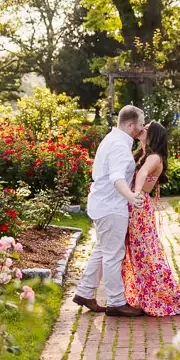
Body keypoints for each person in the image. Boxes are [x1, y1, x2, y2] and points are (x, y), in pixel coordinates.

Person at [73, 105, 147, 317]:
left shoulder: (113, 139)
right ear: (130, 125)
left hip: (103, 205)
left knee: (102, 250)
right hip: (111, 207)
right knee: (114, 255)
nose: (142, 129)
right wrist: (131, 196)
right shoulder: (119, 146)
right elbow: (117, 177)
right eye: (141, 124)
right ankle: (116, 302)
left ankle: (85, 292)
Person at [121, 121, 180, 316]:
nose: (142, 128)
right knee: (135, 252)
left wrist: (136, 194)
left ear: (153, 135)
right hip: (134, 204)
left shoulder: (154, 157)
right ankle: (141, 294)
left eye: (146, 128)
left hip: (139, 206)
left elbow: (143, 174)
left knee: (145, 253)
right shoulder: (143, 154)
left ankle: (168, 296)